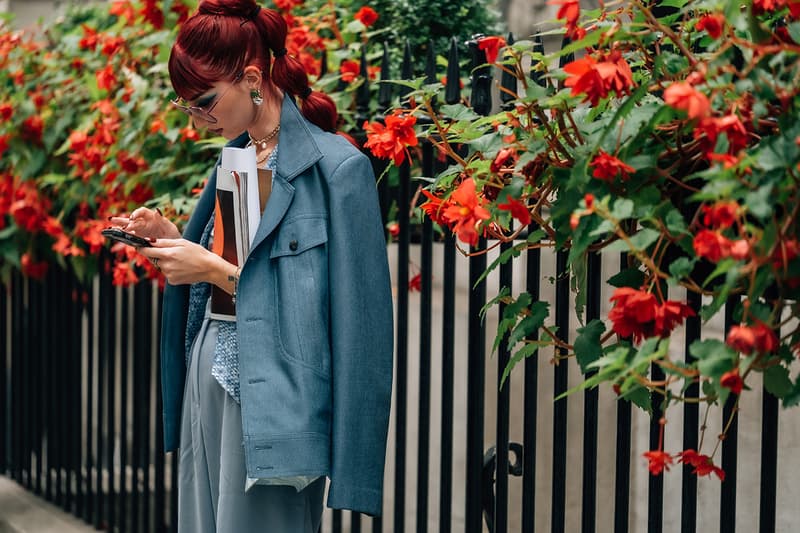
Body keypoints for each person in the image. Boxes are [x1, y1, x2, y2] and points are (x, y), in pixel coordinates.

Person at [109, 1, 394, 531]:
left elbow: (363, 330)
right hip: (207, 379)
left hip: (275, 400)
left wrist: (356, 471)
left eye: (205, 102)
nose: (197, 118)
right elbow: (232, 271)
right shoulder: (236, 159)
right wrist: (173, 241)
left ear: (252, 79)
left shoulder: (338, 170)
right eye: (186, 105)